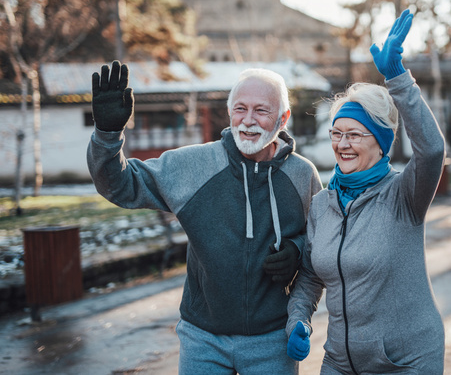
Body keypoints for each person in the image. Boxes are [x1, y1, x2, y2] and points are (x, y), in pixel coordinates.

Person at [87, 62, 322, 374]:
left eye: (261, 111)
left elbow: (320, 249)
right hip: (203, 340)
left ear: (283, 118)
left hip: (272, 339)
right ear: (229, 113)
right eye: (240, 108)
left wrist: (296, 248)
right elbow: (118, 185)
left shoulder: (302, 174)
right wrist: (107, 135)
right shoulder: (193, 165)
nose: (248, 121)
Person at [285, 9, 446, 374]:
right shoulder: (322, 205)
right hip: (341, 363)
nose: (342, 144)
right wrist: (299, 318)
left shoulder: (405, 196)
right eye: (336, 133)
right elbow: (311, 275)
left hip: (406, 361)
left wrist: (398, 79)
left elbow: (432, 150)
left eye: (354, 134)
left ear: (381, 143)